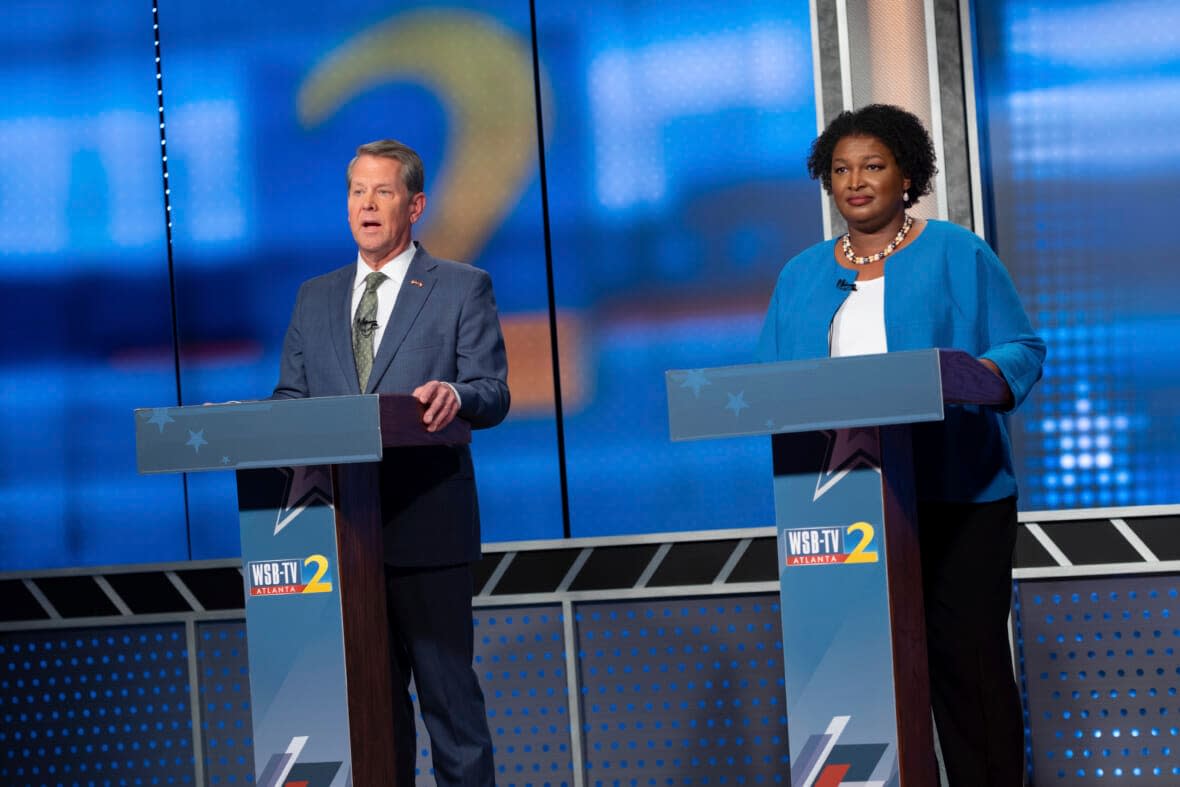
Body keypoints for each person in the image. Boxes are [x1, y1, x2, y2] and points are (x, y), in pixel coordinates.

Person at [757, 104, 1044, 785]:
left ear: (907, 175)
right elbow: (770, 381)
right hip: (838, 505)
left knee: (964, 666)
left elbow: (1021, 347)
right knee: (854, 667)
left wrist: (981, 375)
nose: (855, 181)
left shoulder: (957, 251)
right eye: (840, 169)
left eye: (873, 166)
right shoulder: (800, 274)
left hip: (956, 496)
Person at [272, 139, 509, 786]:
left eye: (382, 191)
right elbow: (289, 402)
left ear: (416, 205)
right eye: (356, 191)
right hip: (341, 540)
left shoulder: (462, 287)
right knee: (370, 715)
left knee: (449, 707)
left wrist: (455, 396)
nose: (367, 204)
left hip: (428, 526)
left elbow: (492, 391)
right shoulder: (314, 297)